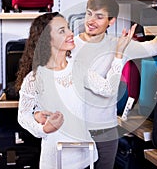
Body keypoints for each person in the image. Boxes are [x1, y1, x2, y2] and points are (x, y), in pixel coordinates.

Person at [70, 0, 157, 169]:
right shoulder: (70, 45)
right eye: (89, 13)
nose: (91, 20)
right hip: (78, 130)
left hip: (106, 131)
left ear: (111, 21)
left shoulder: (119, 45)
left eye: (99, 16)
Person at [15, 12, 137, 169]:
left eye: (68, 28)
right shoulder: (35, 78)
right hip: (55, 161)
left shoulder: (78, 68)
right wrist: (43, 129)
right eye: (62, 31)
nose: (71, 33)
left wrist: (119, 54)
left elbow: (108, 89)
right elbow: (23, 115)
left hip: (86, 158)